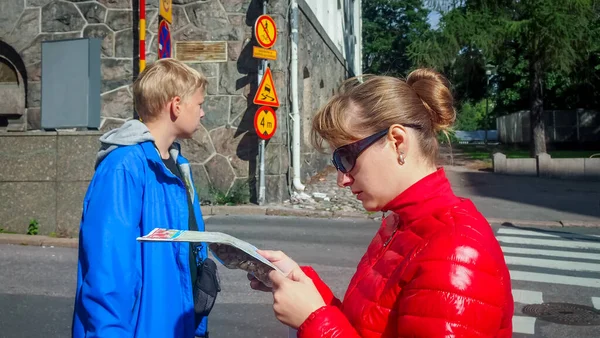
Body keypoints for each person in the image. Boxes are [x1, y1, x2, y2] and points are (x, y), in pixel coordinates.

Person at [250, 69, 514, 337]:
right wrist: (305, 286)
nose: (342, 179)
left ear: (397, 142)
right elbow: (364, 328)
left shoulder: (455, 251)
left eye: (347, 157)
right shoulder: (400, 224)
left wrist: (314, 320)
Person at [72, 58, 217, 338]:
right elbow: (108, 276)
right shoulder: (123, 167)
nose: (202, 113)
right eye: (199, 104)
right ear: (176, 105)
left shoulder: (178, 165)